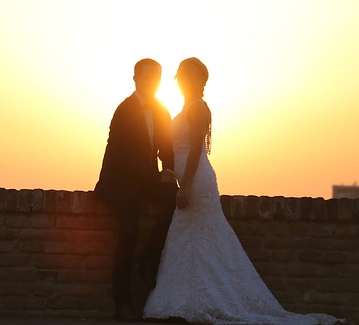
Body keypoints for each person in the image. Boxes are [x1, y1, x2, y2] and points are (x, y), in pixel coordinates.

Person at [143, 57, 344, 325]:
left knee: (202, 240)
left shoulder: (199, 108)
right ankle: (186, 300)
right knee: (189, 241)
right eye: (181, 77)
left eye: (187, 77)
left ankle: (201, 300)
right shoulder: (185, 108)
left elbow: (195, 150)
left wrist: (187, 184)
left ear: (197, 80)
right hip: (185, 177)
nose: (183, 81)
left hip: (197, 181)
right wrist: (171, 173)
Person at [95, 58, 178, 322]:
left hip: (145, 181)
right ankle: (122, 302)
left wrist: (171, 173)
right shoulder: (124, 111)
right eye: (146, 78)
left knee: (177, 200)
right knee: (129, 234)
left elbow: (166, 149)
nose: (152, 83)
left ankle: (148, 257)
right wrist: (155, 178)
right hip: (120, 184)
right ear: (135, 80)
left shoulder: (162, 111)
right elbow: (121, 158)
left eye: (156, 78)